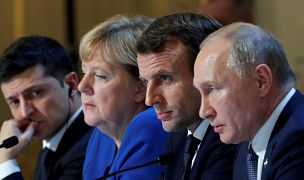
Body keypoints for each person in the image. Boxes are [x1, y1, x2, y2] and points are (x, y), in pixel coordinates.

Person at [193, 22, 304, 179]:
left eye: (213, 88)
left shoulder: (297, 141)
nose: (204, 112)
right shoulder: (246, 142)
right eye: (200, 92)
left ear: (261, 81)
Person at [136, 12, 237, 180]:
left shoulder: (230, 140)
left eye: (164, 78)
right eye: (145, 81)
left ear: (206, 74)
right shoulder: (177, 138)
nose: (150, 99)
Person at [78, 15, 169, 179]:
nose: (82, 86)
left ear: (141, 87)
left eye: (100, 75)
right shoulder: (101, 134)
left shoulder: (151, 126)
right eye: (84, 72)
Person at [0, 35, 93, 179]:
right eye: (14, 101)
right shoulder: (53, 143)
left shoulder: (91, 147)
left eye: (36, 93)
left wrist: (5, 162)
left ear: (71, 84)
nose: (24, 112)